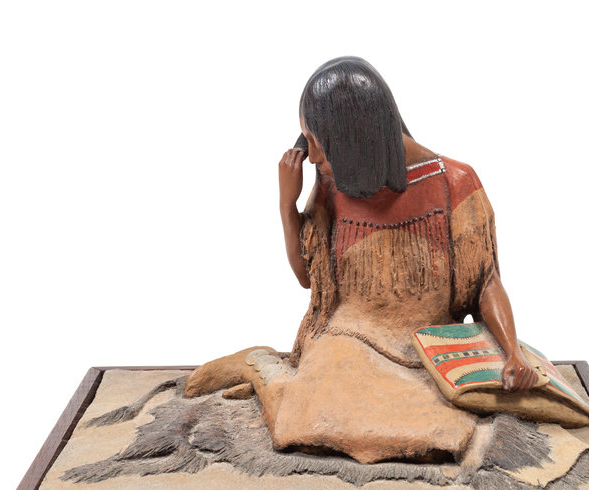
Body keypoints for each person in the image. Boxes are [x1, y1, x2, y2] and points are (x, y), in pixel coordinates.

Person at [185, 57, 538, 465]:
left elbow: (486, 283)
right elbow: (307, 277)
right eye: (307, 139)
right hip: (348, 343)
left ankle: (282, 380)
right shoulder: (333, 185)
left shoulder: (455, 184)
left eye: (318, 140)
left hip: (426, 351)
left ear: (357, 137)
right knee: (305, 424)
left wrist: (513, 353)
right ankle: (263, 369)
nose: (310, 156)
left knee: (438, 434)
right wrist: (287, 203)